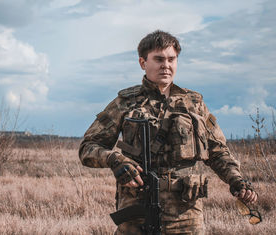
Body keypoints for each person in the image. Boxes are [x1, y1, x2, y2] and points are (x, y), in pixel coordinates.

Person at [79, 30, 258, 234]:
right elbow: (88, 147)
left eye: (171, 59)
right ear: (143, 63)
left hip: (186, 214)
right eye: (159, 59)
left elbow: (218, 151)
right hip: (137, 210)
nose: (166, 65)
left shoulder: (194, 103)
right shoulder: (125, 103)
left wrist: (237, 180)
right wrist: (115, 160)